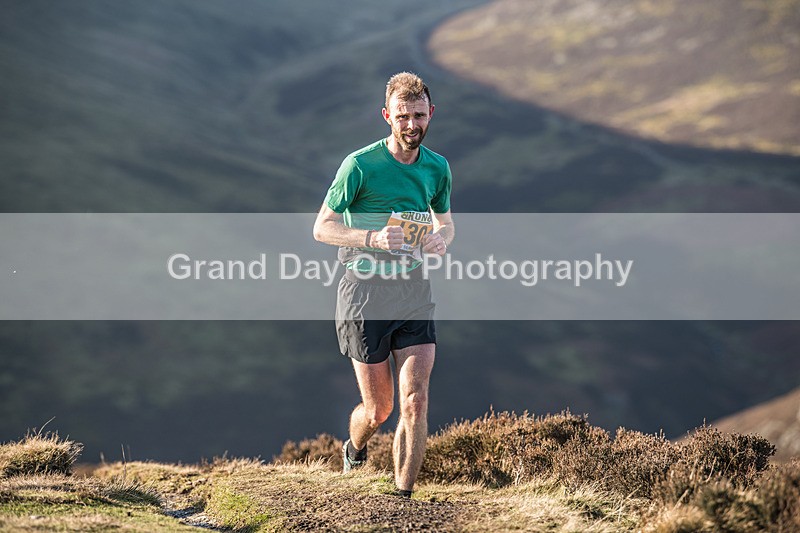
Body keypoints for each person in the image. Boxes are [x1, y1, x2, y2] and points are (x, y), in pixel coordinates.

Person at [313, 72, 454, 498]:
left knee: (414, 402)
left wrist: (439, 240)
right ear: (386, 116)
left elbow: (446, 223)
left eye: (419, 115)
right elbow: (322, 227)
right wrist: (370, 238)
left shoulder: (437, 167)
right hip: (363, 294)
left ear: (431, 113)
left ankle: (402, 499)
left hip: (413, 291)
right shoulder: (359, 166)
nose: (412, 124)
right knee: (380, 409)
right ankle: (354, 448)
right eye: (403, 116)